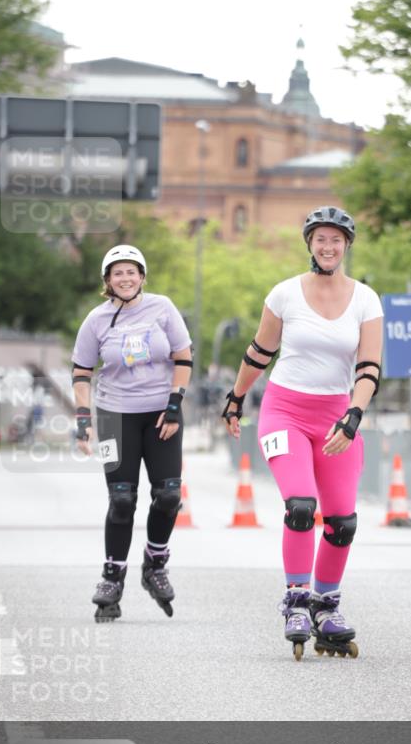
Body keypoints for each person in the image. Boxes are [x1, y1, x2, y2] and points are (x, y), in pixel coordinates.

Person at [222, 207, 383, 660]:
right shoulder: (285, 294)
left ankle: (326, 606)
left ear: (347, 245)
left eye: (336, 240)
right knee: (300, 507)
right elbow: (259, 352)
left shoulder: (366, 300)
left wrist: (353, 416)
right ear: (309, 244)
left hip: (336, 416)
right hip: (284, 410)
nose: (328, 247)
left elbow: (369, 367)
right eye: (320, 240)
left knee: (342, 523)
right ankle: (296, 599)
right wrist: (235, 399)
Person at [71, 244, 193, 622]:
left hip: (161, 415)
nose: (125, 278)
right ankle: (112, 578)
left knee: (169, 495)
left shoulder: (162, 308)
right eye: (117, 273)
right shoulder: (96, 320)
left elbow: (183, 356)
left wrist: (174, 405)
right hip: (112, 418)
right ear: (107, 281)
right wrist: (83, 420)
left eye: (132, 271)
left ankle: (155, 562)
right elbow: (81, 370)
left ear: (142, 276)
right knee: (121, 499)